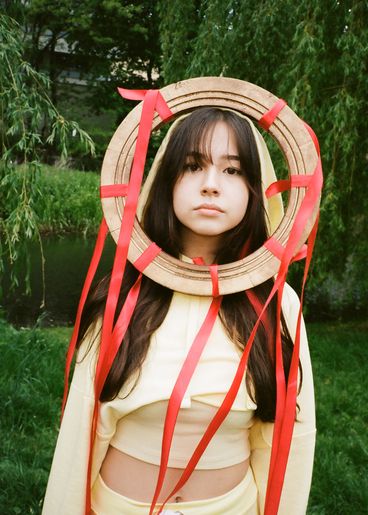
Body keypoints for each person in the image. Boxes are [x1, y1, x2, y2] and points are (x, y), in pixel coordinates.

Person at [42, 107, 316, 515]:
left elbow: (287, 442)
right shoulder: (122, 294)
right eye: (192, 166)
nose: (210, 185)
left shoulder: (278, 303)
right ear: (167, 180)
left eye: (233, 170)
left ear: (255, 188)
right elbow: (83, 430)